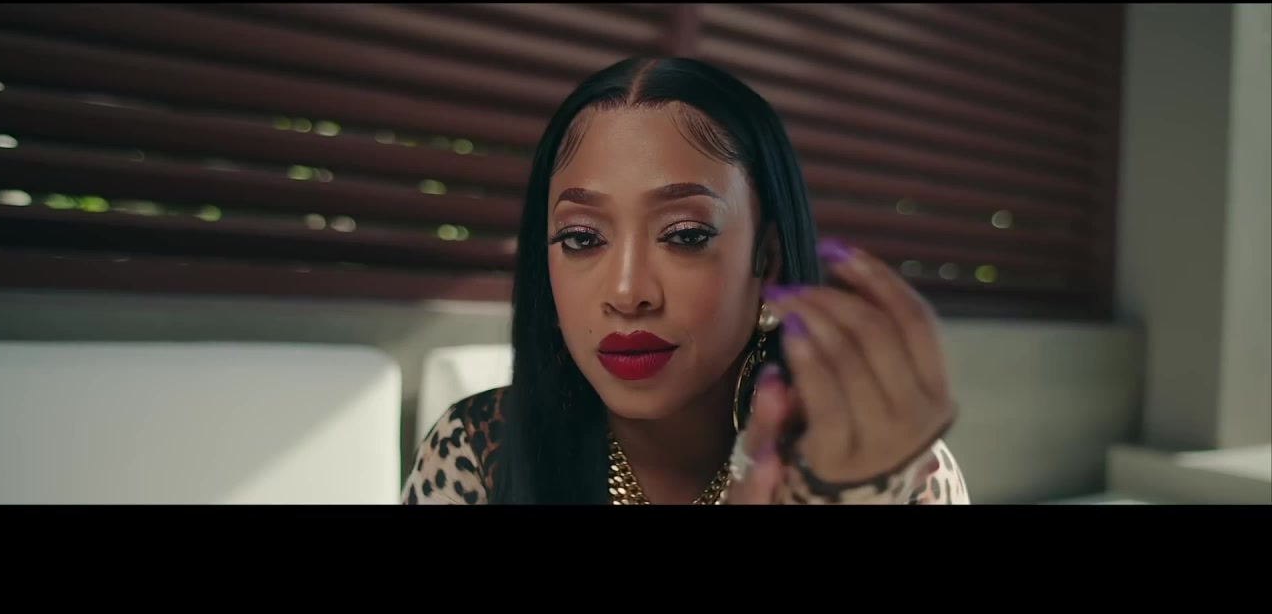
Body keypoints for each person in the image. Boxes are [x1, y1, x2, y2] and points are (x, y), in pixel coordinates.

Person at [402, 56, 970, 505]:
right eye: (581, 238)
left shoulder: (884, 468)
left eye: (685, 235)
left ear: (768, 261)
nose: (627, 293)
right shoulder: (477, 450)